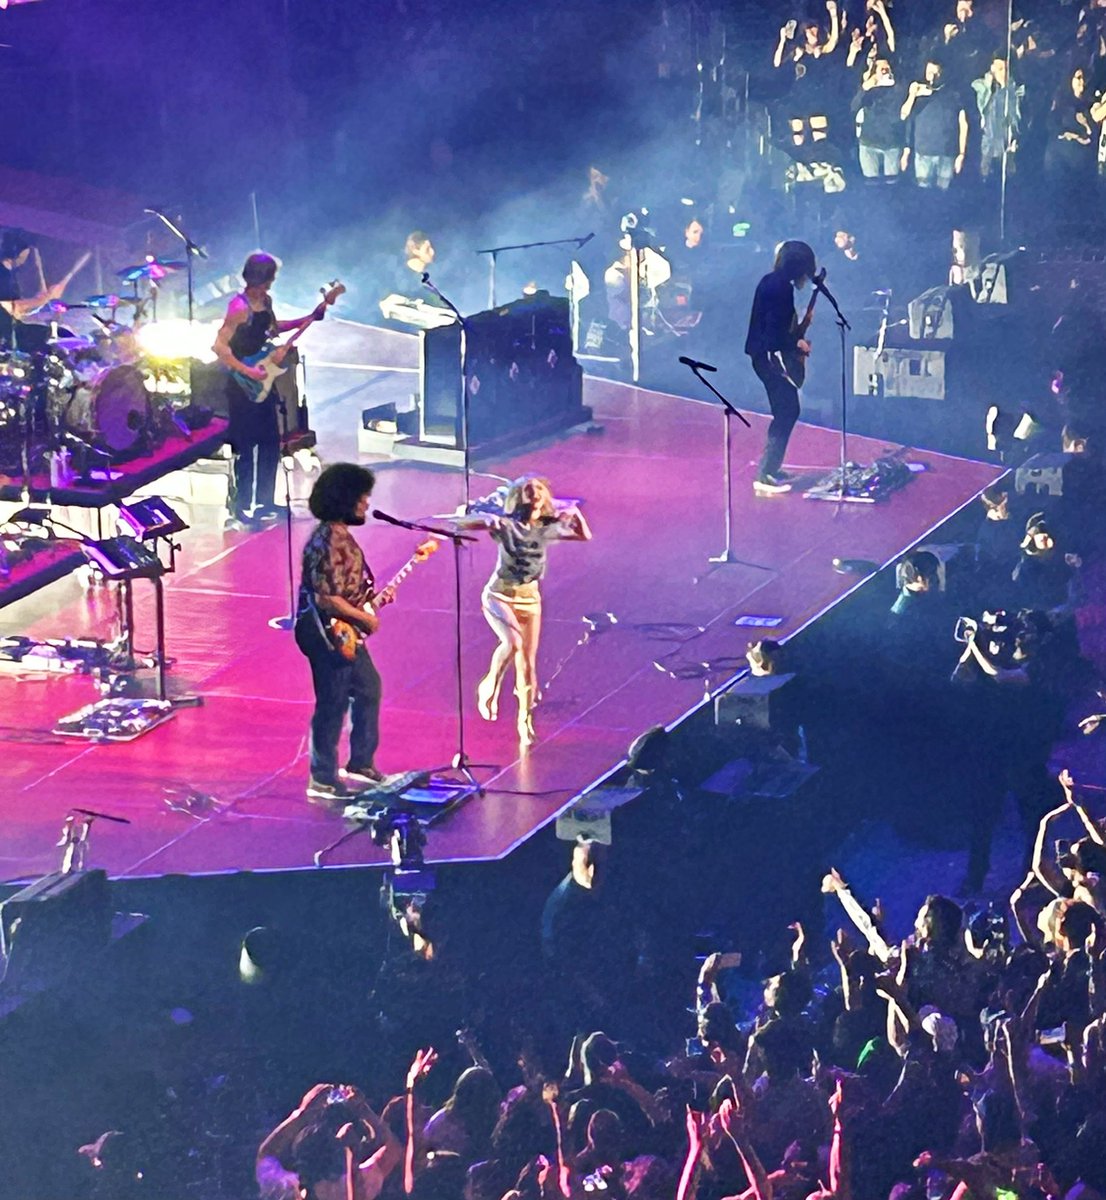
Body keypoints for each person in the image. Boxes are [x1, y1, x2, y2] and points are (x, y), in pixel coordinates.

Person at [463, 475, 591, 749]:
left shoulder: (545, 527)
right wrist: (484, 518)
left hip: (530, 598)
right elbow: (467, 524)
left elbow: (583, 535)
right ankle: (489, 685)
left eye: (538, 489)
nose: (533, 493)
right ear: (519, 497)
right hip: (500, 594)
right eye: (528, 490)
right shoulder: (507, 524)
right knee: (512, 642)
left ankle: (525, 719)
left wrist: (574, 514)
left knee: (527, 664)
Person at [294, 462, 393, 803]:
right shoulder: (328, 540)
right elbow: (326, 598)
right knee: (333, 702)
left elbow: (345, 592)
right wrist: (363, 619)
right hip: (326, 634)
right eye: (362, 497)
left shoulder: (341, 537)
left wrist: (371, 603)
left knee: (368, 689)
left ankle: (361, 762)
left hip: (343, 631)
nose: (366, 504)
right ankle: (321, 777)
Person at [213, 251, 326, 528]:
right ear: (258, 278)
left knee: (270, 444)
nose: (270, 285)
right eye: (268, 279)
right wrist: (247, 370)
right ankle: (241, 507)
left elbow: (274, 329)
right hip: (241, 385)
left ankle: (264, 501)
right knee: (245, 446)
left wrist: (306, 319)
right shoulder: (238, 307)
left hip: (263, 384)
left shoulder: (265, 302)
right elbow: (219, 347)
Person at [744, 239, 817, 495]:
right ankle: (764, 474)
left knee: (786, 409)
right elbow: (775, 333)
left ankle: (772, 469)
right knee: (787, 410)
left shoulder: (772, 281)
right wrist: (797, 343)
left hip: (764, 354)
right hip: (768, 356)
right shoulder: (780, 289)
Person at [900, 59, 970, 190]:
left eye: (934, 72)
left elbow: (963, 124)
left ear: (941, 73)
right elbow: (904, 116)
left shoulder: (953, 95)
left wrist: (961, 153)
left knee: (944, 195)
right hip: (923, 153)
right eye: (928, 72)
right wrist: (912, 95)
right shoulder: (919, 95)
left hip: (947, 153)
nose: (930, 75)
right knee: (923, 194)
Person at [0, 228, 72, 350]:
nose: (25, 259)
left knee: (63, 335)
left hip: (12, 328)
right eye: (25, 255)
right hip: (7, 332)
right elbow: (12, 307)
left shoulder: (10, 274)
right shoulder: (3, 274)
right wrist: (42, 299)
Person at [853, 57, 907, 181]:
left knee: (892, 182)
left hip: (891, 142)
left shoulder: (898, 88)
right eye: (881, 69)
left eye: (887, 68)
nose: (885, 71)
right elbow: (854, 107)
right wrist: (865, 88)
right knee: (871, 183)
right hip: (869, 142)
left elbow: (901, 108)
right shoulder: (868, 90)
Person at [972, 53, 1025, 179]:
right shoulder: (983, 86)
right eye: (1000, 69)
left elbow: (1018, 114)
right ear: (992, 68)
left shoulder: (1016, 90)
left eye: (1006, 69)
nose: (1003, 73)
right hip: (988, 143)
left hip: (1007, 143)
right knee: (985, 176)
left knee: (1009, 177)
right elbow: (980, 106)